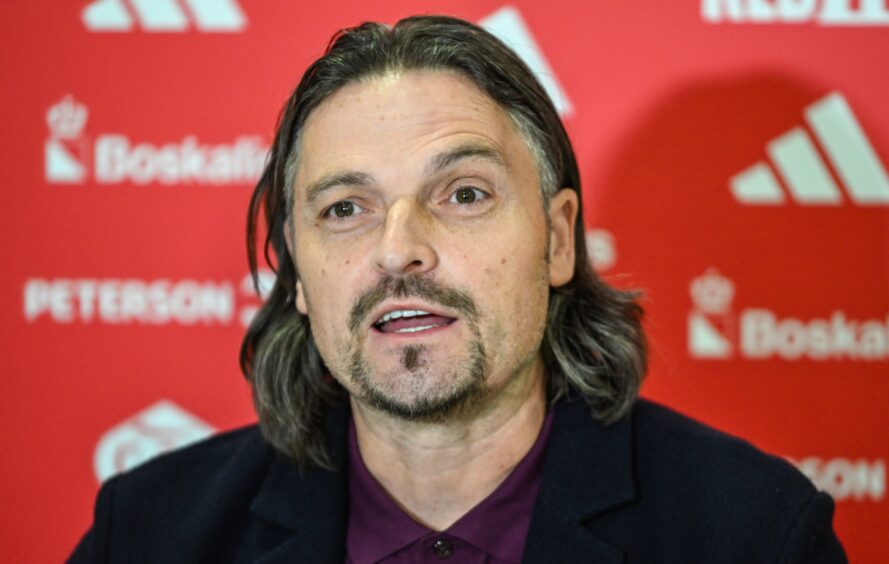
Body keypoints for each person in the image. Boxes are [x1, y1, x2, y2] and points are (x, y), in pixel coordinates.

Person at [70, 15, 846, 563]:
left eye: (463, 194)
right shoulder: (146, 533)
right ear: (297, 273)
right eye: (345, 209)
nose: (398, 249)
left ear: (557, 238)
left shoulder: (753, 533)